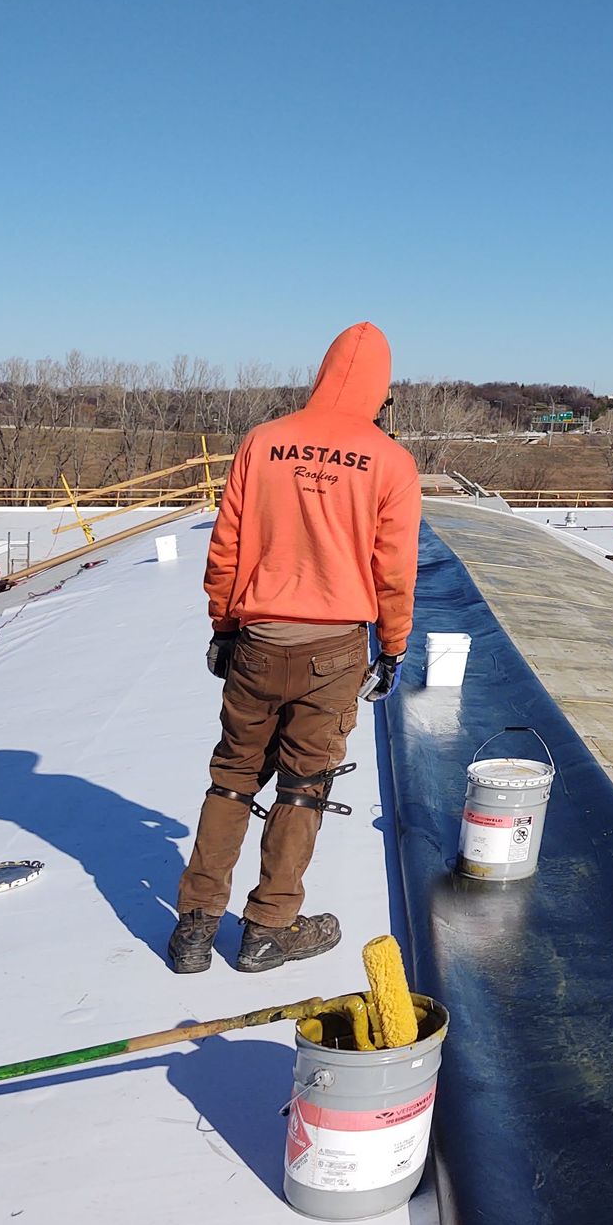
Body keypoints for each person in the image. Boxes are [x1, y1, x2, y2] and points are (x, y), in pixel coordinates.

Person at [167, 322, 420, 974]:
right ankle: (268, 930)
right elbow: (394, 571)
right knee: (303, 788)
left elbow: (225, 546)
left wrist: (223, 628)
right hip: (333, 651)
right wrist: (391, 648)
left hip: (256, 639)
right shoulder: (389, 461)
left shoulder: (265, 442)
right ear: (381, 389)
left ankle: (194, 929)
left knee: (231, 779)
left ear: (323, 372)